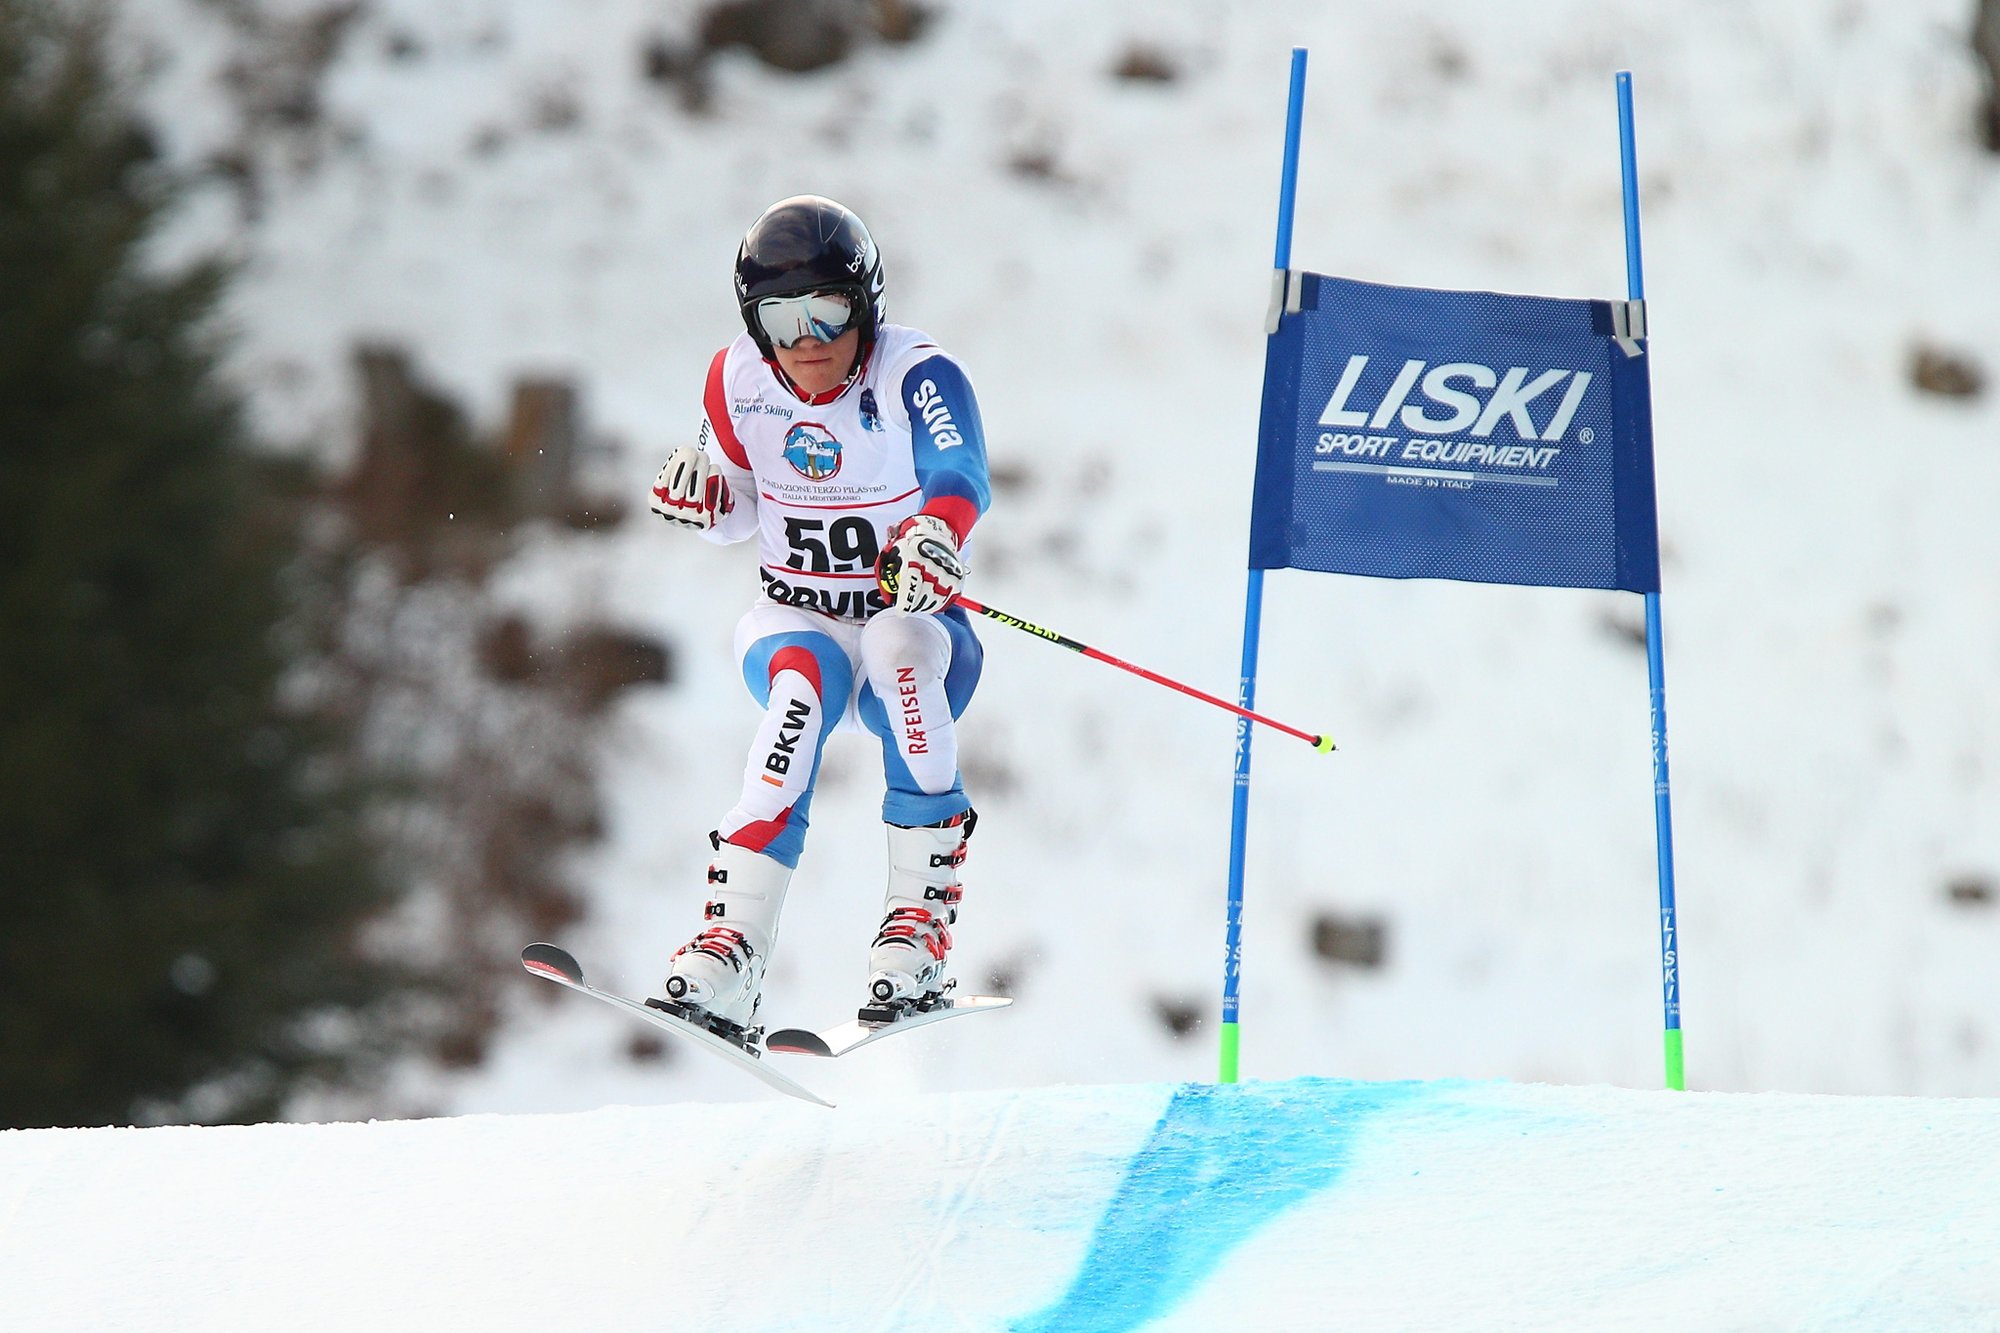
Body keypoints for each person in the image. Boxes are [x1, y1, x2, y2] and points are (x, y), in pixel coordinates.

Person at [645, 195, 990, 1045]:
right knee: (803, 684)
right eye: (781, 317)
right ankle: (735, 947)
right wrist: (704, 496)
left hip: (915, 626)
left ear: (865, 303)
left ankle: (918, 936)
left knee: (894, 645)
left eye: (827, 310)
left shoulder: (916, 372)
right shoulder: (736, 378)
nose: (806, 339)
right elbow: (737, 510)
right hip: (791, 616)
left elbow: (961, 469)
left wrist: (933, 531)